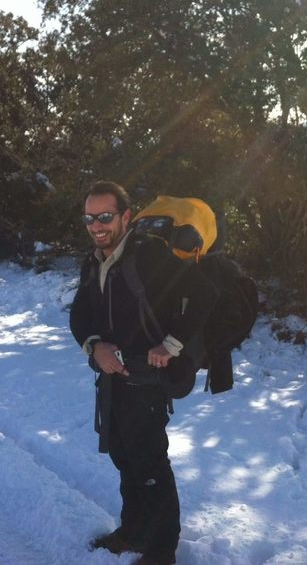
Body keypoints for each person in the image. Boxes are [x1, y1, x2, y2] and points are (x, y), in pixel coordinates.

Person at [70, 181, 218, 565]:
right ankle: (134, 530)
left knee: (150, 462)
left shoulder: (149, 255)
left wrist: (171, 344)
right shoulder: (95, 260)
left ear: (125, 217)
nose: (96, 225)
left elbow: (204, 293)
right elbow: (79, 314)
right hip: (113, 376)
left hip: (148, 379)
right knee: (123, 454)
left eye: (105, 217)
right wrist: (94, 346)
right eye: (89, 218)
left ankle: (162, 550)